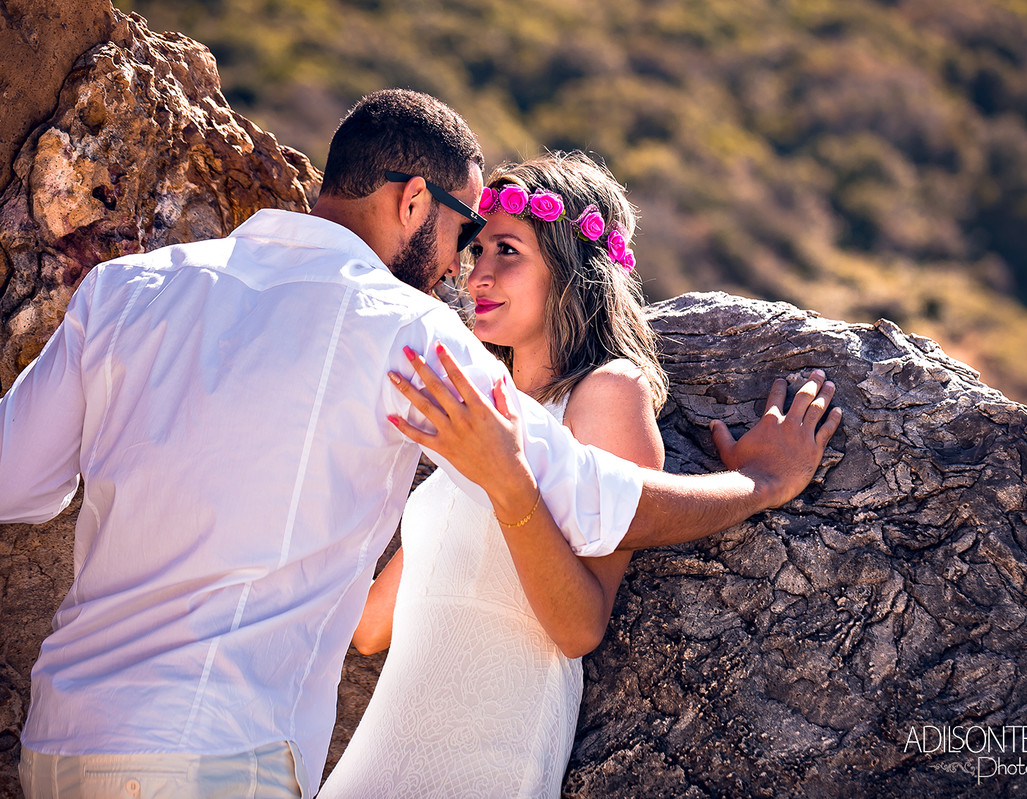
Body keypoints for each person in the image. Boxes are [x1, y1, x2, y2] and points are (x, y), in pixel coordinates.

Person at [0, 89, 838, 799]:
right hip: (210, 754)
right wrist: (761, 485)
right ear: (411, 203)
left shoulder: (126, 289)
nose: (461, 268)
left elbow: (15, 481)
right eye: (466, 230)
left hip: (58, 743)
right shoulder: (401, 330)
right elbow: (599, 501)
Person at [317, 152, 840, 798]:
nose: (478, 274)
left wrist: (763, 479)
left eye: (507, 251)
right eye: (476, 250)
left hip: (483, 767)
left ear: (571, 270)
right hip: (372, 771)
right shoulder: (486, 419)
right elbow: (371, 628)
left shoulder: (606, 392)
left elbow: (579, 626)